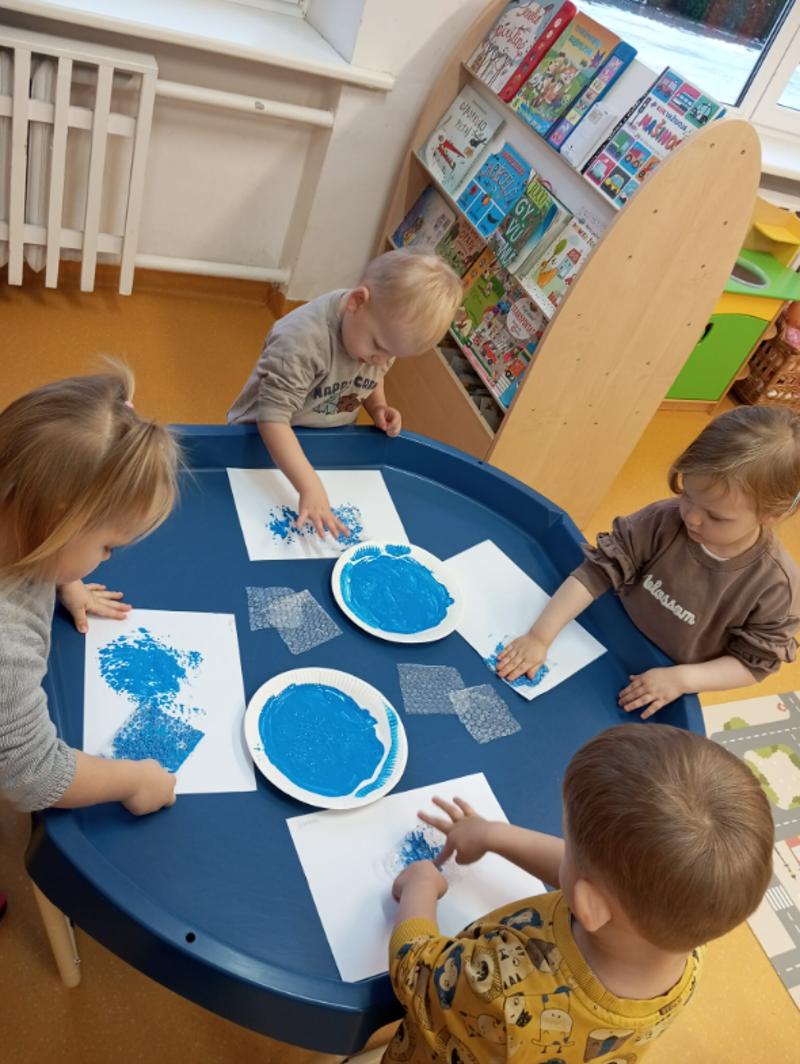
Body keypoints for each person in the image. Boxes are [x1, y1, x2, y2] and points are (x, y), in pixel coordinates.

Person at [385, 724, 773, 1062]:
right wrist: (493, 835)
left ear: (590, 905)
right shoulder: (681, 932)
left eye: (569, 846)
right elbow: (601, 878)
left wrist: (421, 888)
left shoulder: (500, 988)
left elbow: (415, 974)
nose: (564, 851)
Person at [498, 406, 800, 717]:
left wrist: (682, 679)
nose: (692, 518)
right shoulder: (662, 520)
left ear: (773, 514)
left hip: (666, 674)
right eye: (687, 495)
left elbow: (752, 664)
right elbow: (596, 572)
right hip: (602, 631)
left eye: (716, 516)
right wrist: (539, 637)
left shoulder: (777, 586)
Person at [0, 366, 180, 815]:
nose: (108, 558)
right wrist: (133, 781)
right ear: (59, 523)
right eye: (107, 546)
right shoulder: (6, 644)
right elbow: (33, 774)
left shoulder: (16, 499)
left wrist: (66, 578)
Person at [227, 249, 462, 538]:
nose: (379, 360)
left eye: (391, 355)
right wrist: (309, 485)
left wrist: (378, 407)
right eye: (378, 347)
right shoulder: (300, 342)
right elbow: (272, 420)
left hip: (324, 442)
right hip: (260, 443)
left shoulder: (375, 335)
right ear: (357, 301)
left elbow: (372, 376)